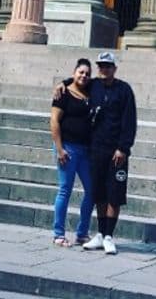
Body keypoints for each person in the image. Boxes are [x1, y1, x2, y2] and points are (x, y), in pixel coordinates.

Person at [81, 51, 137, 255]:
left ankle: (109, 235)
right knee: (99, 193)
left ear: (115, 68)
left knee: (115, 194)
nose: (104, 69)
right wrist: (63, 83)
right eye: (101, 66)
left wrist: (124, 147)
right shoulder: (93, 85)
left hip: (117, 152)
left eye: (108, 66)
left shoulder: (124, 90)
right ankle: (100, 233)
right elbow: (75, 82)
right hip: (97, 149)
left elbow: (129, 121)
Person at [50, 57, 94, 247]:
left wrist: (65, 81)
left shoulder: (90, 92)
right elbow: (54, 121)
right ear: (74, 72)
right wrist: (60, 149)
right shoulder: (63, 94)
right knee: (65, 190)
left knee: (92, 191)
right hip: (67, 148)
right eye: (80, 72)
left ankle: (82, 233)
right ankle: (58, 234)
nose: (83, 76)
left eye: (87, 73)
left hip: (86, 150)